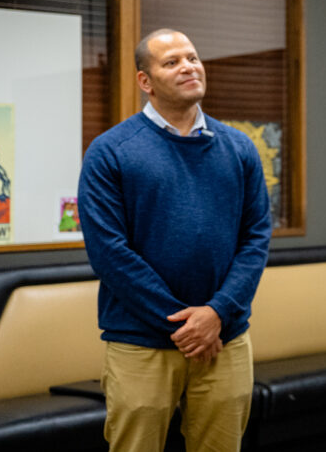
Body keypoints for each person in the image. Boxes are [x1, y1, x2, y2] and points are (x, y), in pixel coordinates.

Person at [78, 28, 271, 452]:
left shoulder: (239, 148)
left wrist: (217, 313)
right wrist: (186, 324)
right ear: (145, 81)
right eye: (171, 62)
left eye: (192, 58)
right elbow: (109, 253)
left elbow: (256, 238)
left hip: (225, 337)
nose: (188, 67)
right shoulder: (111, 152)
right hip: (140, 342)